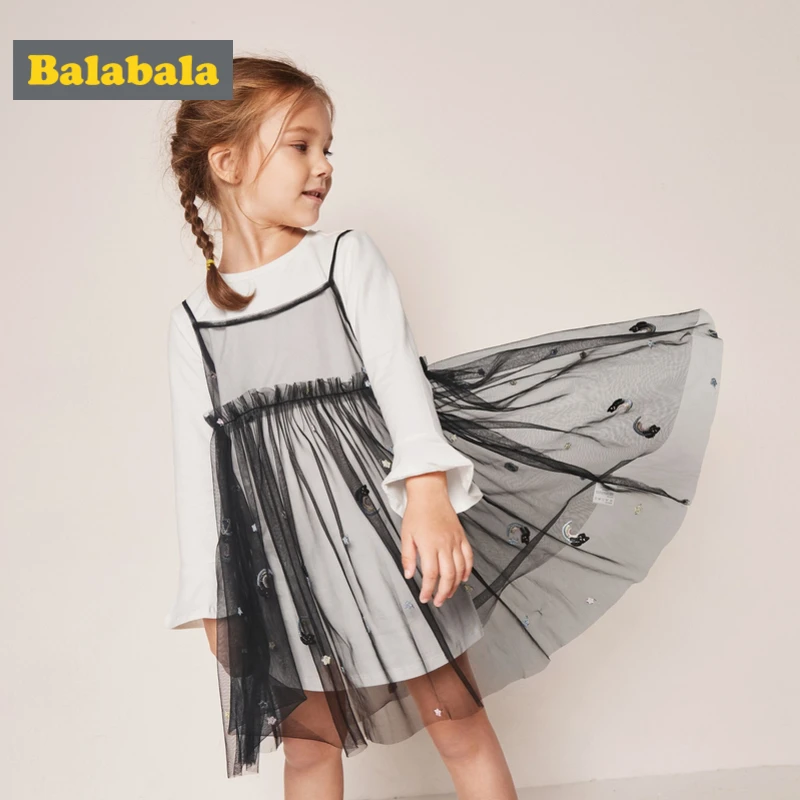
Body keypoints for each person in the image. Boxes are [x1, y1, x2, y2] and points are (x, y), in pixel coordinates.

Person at [163, 56, 723, 799]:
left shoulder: (343, 260)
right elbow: (199, 469)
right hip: (282, 565)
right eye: (301, 145)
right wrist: (212, 596)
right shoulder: (194, 322)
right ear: (228, 163)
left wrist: (428, 497)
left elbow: (400, 381)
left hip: (383, 539)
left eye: (328, 147)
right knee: (308, 749)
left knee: (455, 719)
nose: (324, 165)